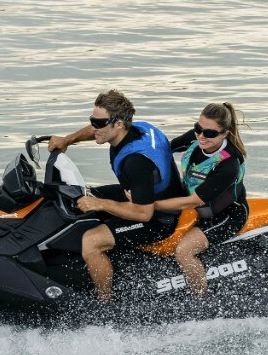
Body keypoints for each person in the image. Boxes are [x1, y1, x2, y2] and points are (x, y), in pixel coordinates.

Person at [48, 90, 185, 302]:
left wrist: (102, 204)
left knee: (91, 241)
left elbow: (143, 214)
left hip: (160, 217)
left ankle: (105, 303)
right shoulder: (139, 128)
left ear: (119, 124)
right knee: (84, 195)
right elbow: (95, 131)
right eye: (92, 120)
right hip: (141, 193)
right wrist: (68, 140)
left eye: (100, 123)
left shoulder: (135, 162)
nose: (95, 127)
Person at [154, 102, 249, 297]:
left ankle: (202, 298)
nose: (201, 136)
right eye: (198, 128)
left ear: (224, 134)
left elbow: (193, 201)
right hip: (195, 202)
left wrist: (147, 204)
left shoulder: (229, 164)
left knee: (183, 251)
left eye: (210, 133)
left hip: (226, 215)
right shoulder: (196, 137)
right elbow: (164, 150)